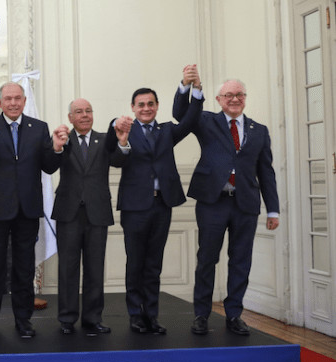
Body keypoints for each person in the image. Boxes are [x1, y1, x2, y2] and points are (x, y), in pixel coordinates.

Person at [173, 68, 280, 336]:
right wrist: (189, 86)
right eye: (229, 95)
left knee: (240, 260)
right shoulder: (206, 120)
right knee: (207, 259)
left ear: (245, 98)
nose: (234, 99)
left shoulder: (259, 131)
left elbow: (266, 172)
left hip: (245, 204)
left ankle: (234, 315)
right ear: (219, 99)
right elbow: (180, 114)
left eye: (239, 94)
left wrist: (273, 210)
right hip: (213, 201)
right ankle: (201, 314)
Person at [104, 67, 203, 335]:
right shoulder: (124, 128)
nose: (146, 108)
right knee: (135, 262)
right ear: (133, 108)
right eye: (141, 105)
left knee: (154, 264)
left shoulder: (167, 130)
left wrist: (192, 88)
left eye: (150, 104)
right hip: (135, 207)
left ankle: (152, 315)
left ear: (157, 106)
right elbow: (114, 158)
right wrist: (120, 134)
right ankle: (135, 315)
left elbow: (191, 120)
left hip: (162, 205)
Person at [0, 82, 67, 338]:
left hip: (28, 209)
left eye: (17, 98)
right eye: (8, 99)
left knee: (24, 268)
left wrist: (57, 147)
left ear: (24, 101)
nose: (13, 103)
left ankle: (23, 320)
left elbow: (48, 166)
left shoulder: (39, 128)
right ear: (0, 102)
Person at [51, 98, 129, 335]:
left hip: (97, 212)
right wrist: (56, 147)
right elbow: (50, 164)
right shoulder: (63, 139)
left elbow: (119, 161)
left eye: (88, 111)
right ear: (70, 118)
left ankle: (93, 318)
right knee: (68, 268)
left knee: (95, 268)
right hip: (69, 212)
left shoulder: (105, 140)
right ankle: (67, 319)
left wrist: (123, 142)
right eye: (79, 112)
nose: (84, 115)